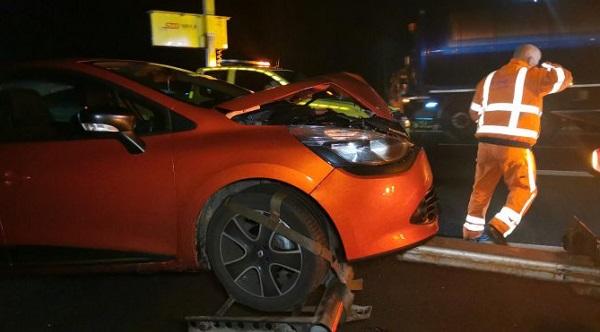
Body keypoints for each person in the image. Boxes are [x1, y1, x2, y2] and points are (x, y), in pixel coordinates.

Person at [463, 44, 573, 244]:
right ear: (531, 59)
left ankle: (471, 233)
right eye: (537, 61)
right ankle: (499, 227)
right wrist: (549, 65)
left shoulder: (488, 79)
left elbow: (473, 113)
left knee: (481, 189)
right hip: (515, 146)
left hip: (486, 146)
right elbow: (564, 78)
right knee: (525, 189)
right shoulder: (532, 75)